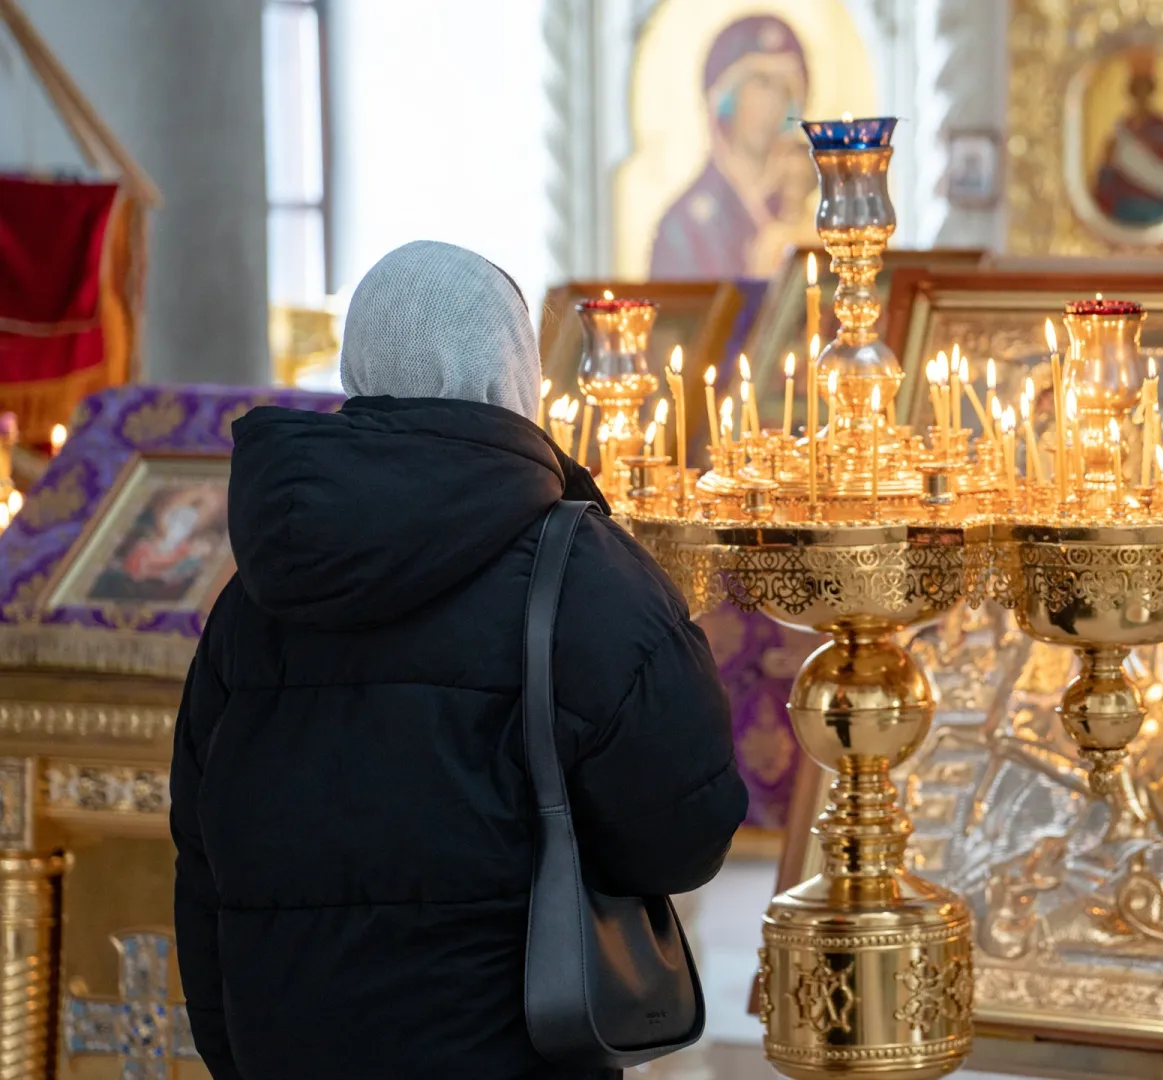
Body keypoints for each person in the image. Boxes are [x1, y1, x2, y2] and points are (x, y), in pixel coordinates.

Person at [169, 240, 747, 1080]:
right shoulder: (587, 577)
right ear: (511, 367)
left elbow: (202, 859)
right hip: (514, 1050)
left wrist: (235, 1051)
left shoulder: (252, 597)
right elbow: (684, 837)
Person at [649, 15, 815, 279]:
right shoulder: (685, 226)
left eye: (784, 88)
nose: (772, 102)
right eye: (761, 84)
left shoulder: (801, 207)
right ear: (726, 97)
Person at [1092, 49, 1163, 226]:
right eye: (1137, 90)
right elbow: (1106, 179)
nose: (1141, 97)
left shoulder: (1161, 127)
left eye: (1145, 90)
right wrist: (1108, 163)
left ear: (1150, 92)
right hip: (1123, 209)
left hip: (1155, 208)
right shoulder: (1121, 128)